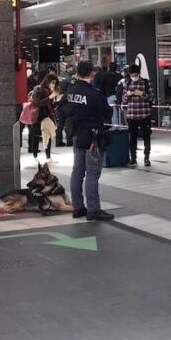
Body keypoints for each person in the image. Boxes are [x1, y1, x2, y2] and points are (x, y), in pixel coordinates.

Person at [64, 61, 114, 221]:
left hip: (77, 135)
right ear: (92, 74)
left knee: (77, 171)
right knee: (92, 172)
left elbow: (65, 110)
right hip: (92, 137)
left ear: (78, 73)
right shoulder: (94, 94)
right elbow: (107, 112)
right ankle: (93, 209)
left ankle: (78, 208)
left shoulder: (71, 91)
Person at [122, 64, 155, 167]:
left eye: (135, 74)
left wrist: (142, 94)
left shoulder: (146, 82)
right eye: (132, 75)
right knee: (132, 138)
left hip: (144, 114)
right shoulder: (127, 83)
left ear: (139, 73)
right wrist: (127, 94)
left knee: (146, 136)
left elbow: (152, 98)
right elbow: (123, 100)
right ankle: (133, 158)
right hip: (131, 115)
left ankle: (147, 158)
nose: (134, 76)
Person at [29, 73, 60, 163]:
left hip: (47, 116)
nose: (53, 84)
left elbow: (51, 105)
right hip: (38, 117)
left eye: (55, 83)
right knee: (36, 136)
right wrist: (50, 97)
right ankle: (35, 156)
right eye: (52, 82)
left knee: (48, 135)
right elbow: (38, 103)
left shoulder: (50, 91)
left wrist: (56, 100)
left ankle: (48, 156)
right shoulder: (38, 89)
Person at [56, 65, 76, 147]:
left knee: (59, 124)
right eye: (72, 68)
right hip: (67, 104)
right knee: (68, 123)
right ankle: (69, 141)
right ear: (68, 69)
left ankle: (58, 141)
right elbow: (70, 92)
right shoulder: (71, 80)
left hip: (58, 104)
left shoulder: (58, 78)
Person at [100, 62, 123, 127]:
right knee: (120, 113)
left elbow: (102, 87)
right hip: (118, 96)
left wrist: (102, 96)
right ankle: (121, 128)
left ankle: (115, 129)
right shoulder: (119, 76)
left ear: (109, 67)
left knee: (113, 113)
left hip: (109, 95)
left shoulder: (105, 75)